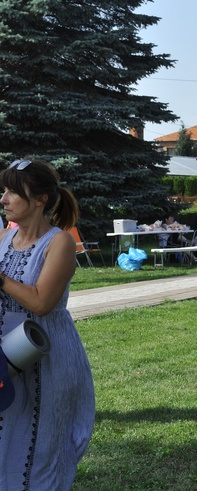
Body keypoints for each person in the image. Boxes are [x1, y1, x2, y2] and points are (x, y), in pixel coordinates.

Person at [0, 158, 95, 489]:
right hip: (4, 358)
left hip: (45, 356)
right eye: (4, 190)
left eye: (13, 191)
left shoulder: (59, 242)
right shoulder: (1, 239)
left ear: (39, 199)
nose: (4, 199)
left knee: (40, 448)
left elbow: (42, 302)